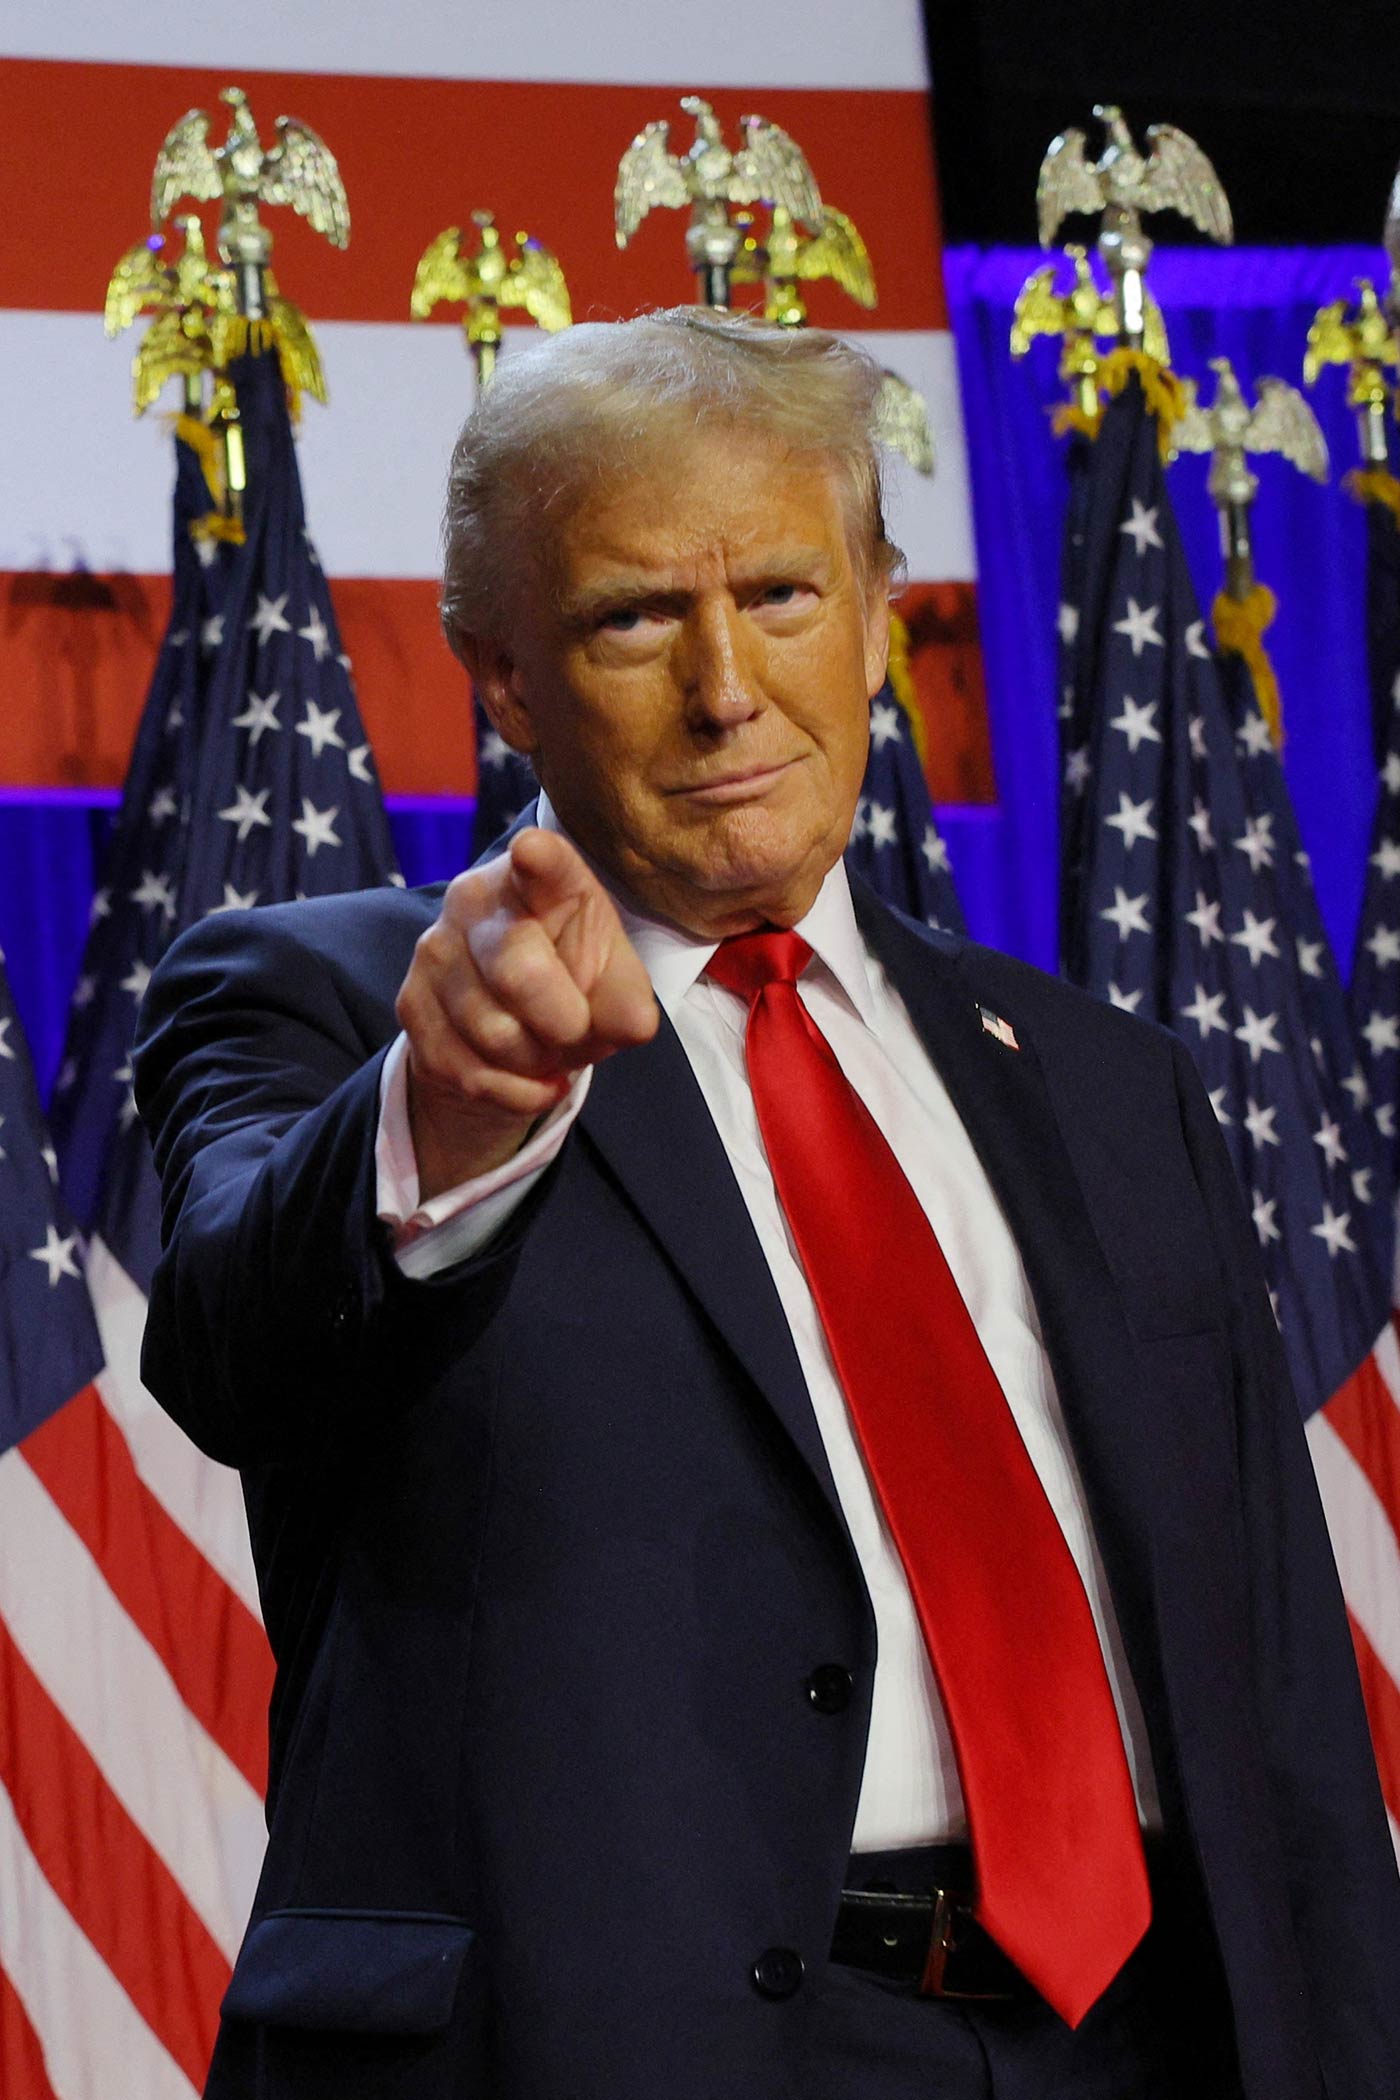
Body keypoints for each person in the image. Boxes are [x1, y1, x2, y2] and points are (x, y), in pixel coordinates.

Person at [135, 308, 1400, 2100]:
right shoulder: (340, 1005)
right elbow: (231, 1346)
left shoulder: (1105, 1080)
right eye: (638, 617)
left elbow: (1275, 1679)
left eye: (786, 597)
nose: (728, 685)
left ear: (882, 615)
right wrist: (454, 1112)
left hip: (1142, 2035)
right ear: (501, 675)